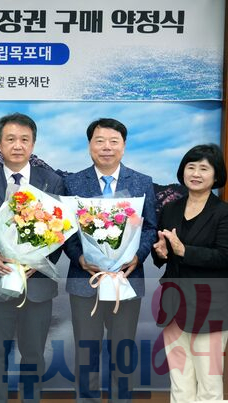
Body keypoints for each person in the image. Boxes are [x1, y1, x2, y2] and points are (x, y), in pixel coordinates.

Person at [63, 118, 157, 403]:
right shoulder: (72, 182)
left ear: (123, 146)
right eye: (100, 141)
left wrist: (137, 257)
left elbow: (150, 227)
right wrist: (80, 258)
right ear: (90, 145)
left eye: (113, 141)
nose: (106, 147)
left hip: (126, 281)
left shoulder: (142, 182)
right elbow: (65, 231)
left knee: (123, 353)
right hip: (85, 281)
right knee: (86, 353)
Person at [0, 113, 64, 403]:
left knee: (33, 353)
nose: (17, 145)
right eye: (10, 139)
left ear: (33, 144)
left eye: (24, 140)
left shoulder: (52, 181)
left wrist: (37, 260)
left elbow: (62, 231)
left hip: (37, 282)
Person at [151, 144, 228, 403]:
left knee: (209, 382)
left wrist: (185, 251)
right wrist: (161, 253)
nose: (195, 173)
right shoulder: (170, 209)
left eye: (204, 169)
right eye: (191, 167)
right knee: (179, 379)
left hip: (210, 306)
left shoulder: (224, 213)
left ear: (216, 176)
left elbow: (224, 256)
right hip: (173, 303)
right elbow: (163, 252)